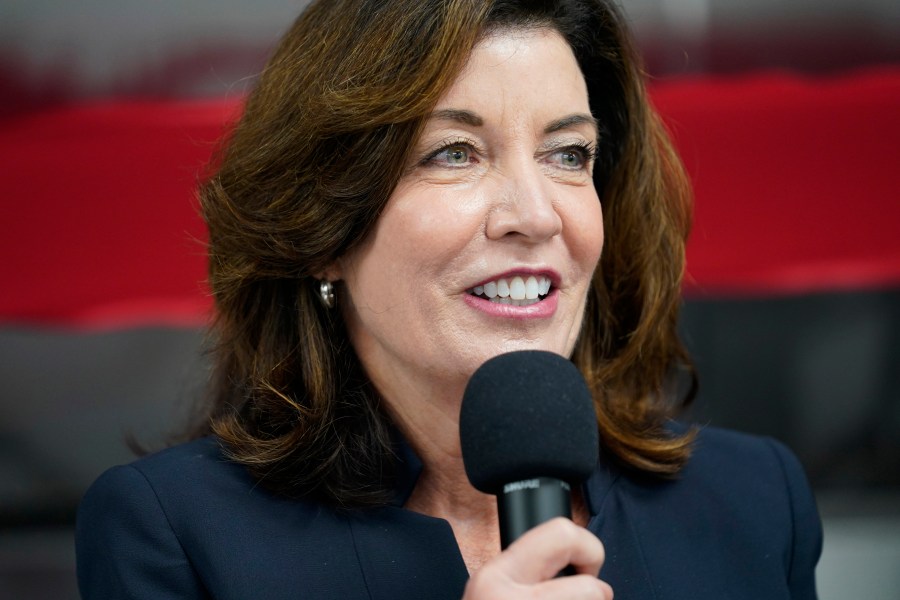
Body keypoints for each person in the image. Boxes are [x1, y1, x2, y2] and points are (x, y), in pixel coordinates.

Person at [75, 0, 822, 598]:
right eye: (453, 153)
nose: (534, 215)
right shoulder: (175, 536)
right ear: (325, 228)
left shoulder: (755, 499)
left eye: (568, 154)